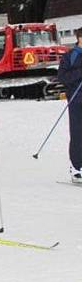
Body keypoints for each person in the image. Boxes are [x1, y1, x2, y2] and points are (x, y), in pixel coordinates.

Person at [58, 27, 82, 184]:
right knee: (78, 133)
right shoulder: (70, 56)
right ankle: (77, 167)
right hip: (76, 99)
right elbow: (63, 77)